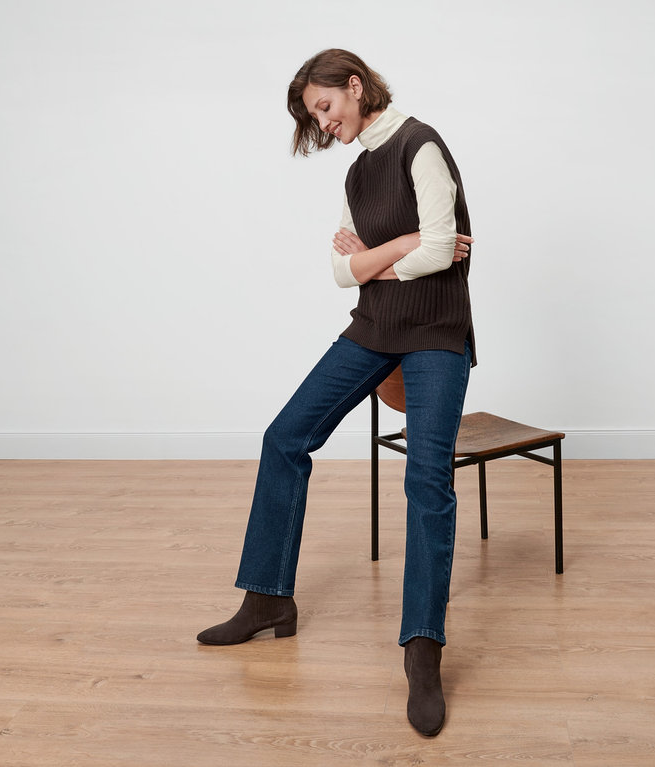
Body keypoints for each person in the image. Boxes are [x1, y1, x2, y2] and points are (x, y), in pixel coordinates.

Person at [197, 48, 475, 738]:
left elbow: (443, 250)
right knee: (284, 436)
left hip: (437, 333)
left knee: (428, 477)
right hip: (374, 330)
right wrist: (394, 251)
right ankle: (267, 599)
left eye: (326, 108)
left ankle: (422, 646)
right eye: (313, 118)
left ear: (355, 86)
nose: (323, 125)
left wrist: (380, 257)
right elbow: (342, 270)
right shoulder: (357, 171)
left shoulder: (421, 145)